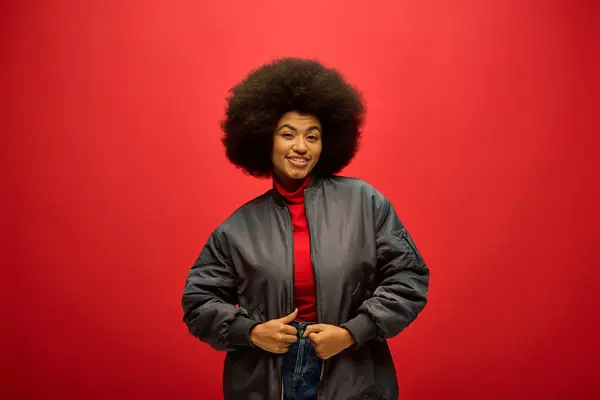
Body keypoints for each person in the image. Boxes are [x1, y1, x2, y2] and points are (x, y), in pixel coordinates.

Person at [181, 57, 429, 400]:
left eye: (312, 136)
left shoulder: (365, 203)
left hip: (351, 376)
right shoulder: (237, 229)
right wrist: (251, 332)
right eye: (288, 134)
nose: (301, 147)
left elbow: (409, 277)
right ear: (265, 139)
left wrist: (353, 332)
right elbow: (197, 301)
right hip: (266, 382)